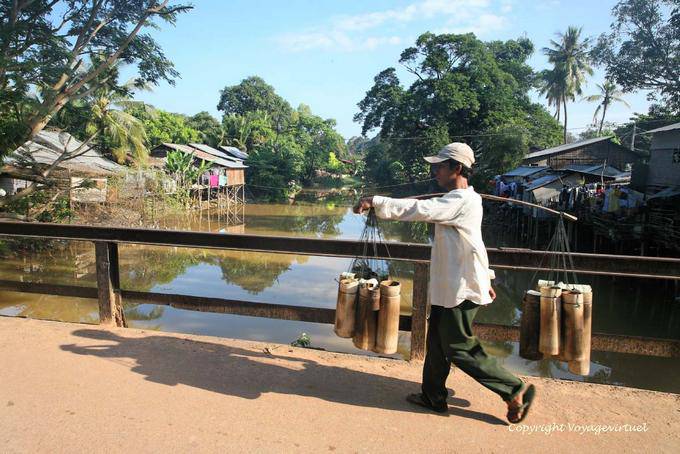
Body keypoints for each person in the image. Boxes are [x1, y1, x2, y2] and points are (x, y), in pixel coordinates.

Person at [353, 142, 535, 423]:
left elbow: (421, 210)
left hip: (459, 289)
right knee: (437, 341)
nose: (434, 170)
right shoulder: (461, 199)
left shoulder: (460, 201)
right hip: (450, 286)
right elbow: (475, 243)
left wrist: (376, 202)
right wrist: (486, 277)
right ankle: (433, 396)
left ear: (457, 168)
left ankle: (513, 389)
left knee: (458, 347)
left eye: (440, 166)